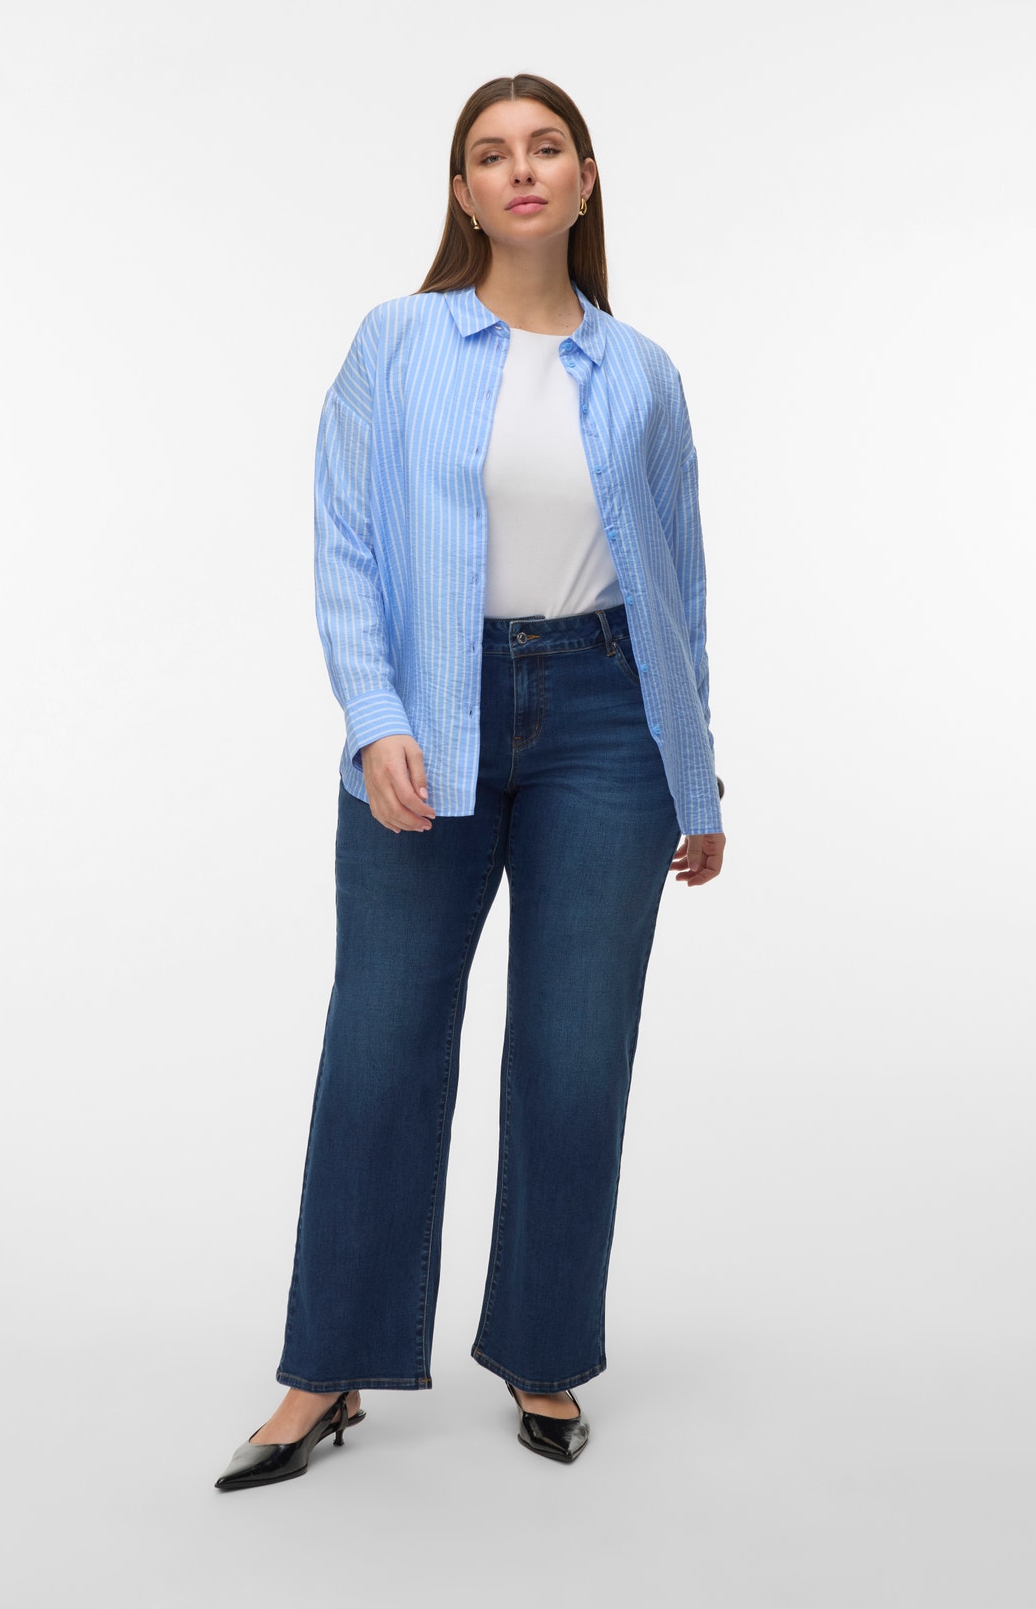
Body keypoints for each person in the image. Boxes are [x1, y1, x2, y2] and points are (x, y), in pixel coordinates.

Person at [215, 72, 725, 1490]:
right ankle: (326, 1369)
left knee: (574, 1052)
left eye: (546, 148)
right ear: (463, 192)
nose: (521, 170)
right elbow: (343, 537)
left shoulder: (641, 371)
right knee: (382, 1039)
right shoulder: (398, 340)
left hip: (610, 720)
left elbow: (680, 581)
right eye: (492, 155)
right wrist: (373, 713)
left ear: (585, 178)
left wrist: (697, 773)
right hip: (431, 716)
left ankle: (544, 1347)